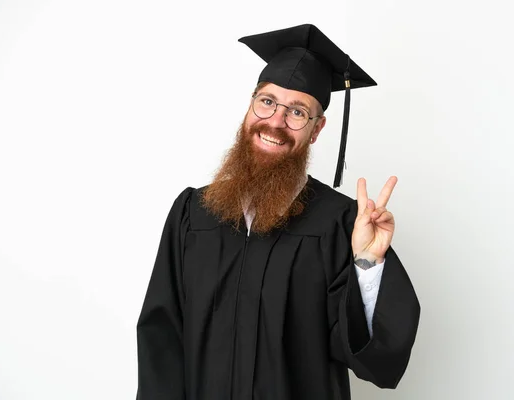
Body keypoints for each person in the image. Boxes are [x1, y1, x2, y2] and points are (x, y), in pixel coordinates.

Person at [136, 24, 420, 400]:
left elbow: (376, 363)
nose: (276, 121)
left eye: (297, 111)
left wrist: (366, 264)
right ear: (250, 106)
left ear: (316, 130)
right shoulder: (193, 213)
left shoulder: (342, 224)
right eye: (267, 102)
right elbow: (161, 339)